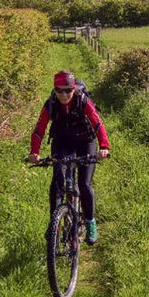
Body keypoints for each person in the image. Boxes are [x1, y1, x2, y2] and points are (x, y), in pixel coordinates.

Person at [29, 71, 110, 245]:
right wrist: (34, 152)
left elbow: (97, 123)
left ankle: (90, 223)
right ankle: (54, 223)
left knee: (84, 184)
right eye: (59, 90)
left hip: (85, 141)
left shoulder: (82, 100)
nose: (64, 95)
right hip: (62, 141)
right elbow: (39, 130)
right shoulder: (51, 103)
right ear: (54, 89)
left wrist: (104, 147)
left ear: (74, 89)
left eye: (68, 90)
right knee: (57, 180)